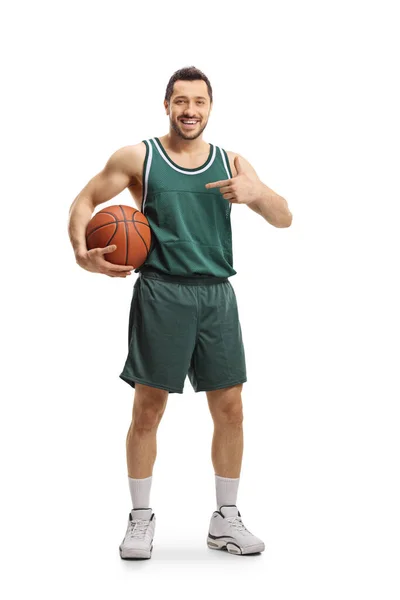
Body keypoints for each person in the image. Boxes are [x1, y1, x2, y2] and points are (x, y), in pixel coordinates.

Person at [68, 66, 292, 560]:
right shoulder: (138, 157)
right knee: (148, 409)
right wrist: (83, 254)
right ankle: (140, 520)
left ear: (210, 108)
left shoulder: (232, 162)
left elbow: (284, 217)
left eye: (199, 102)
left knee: (231, 408)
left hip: (216, 294)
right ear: (166, 105)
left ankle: (225, 520)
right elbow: (85, 199)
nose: (190, 110)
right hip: (161, 292)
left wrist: (256, 193)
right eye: (181, 101)